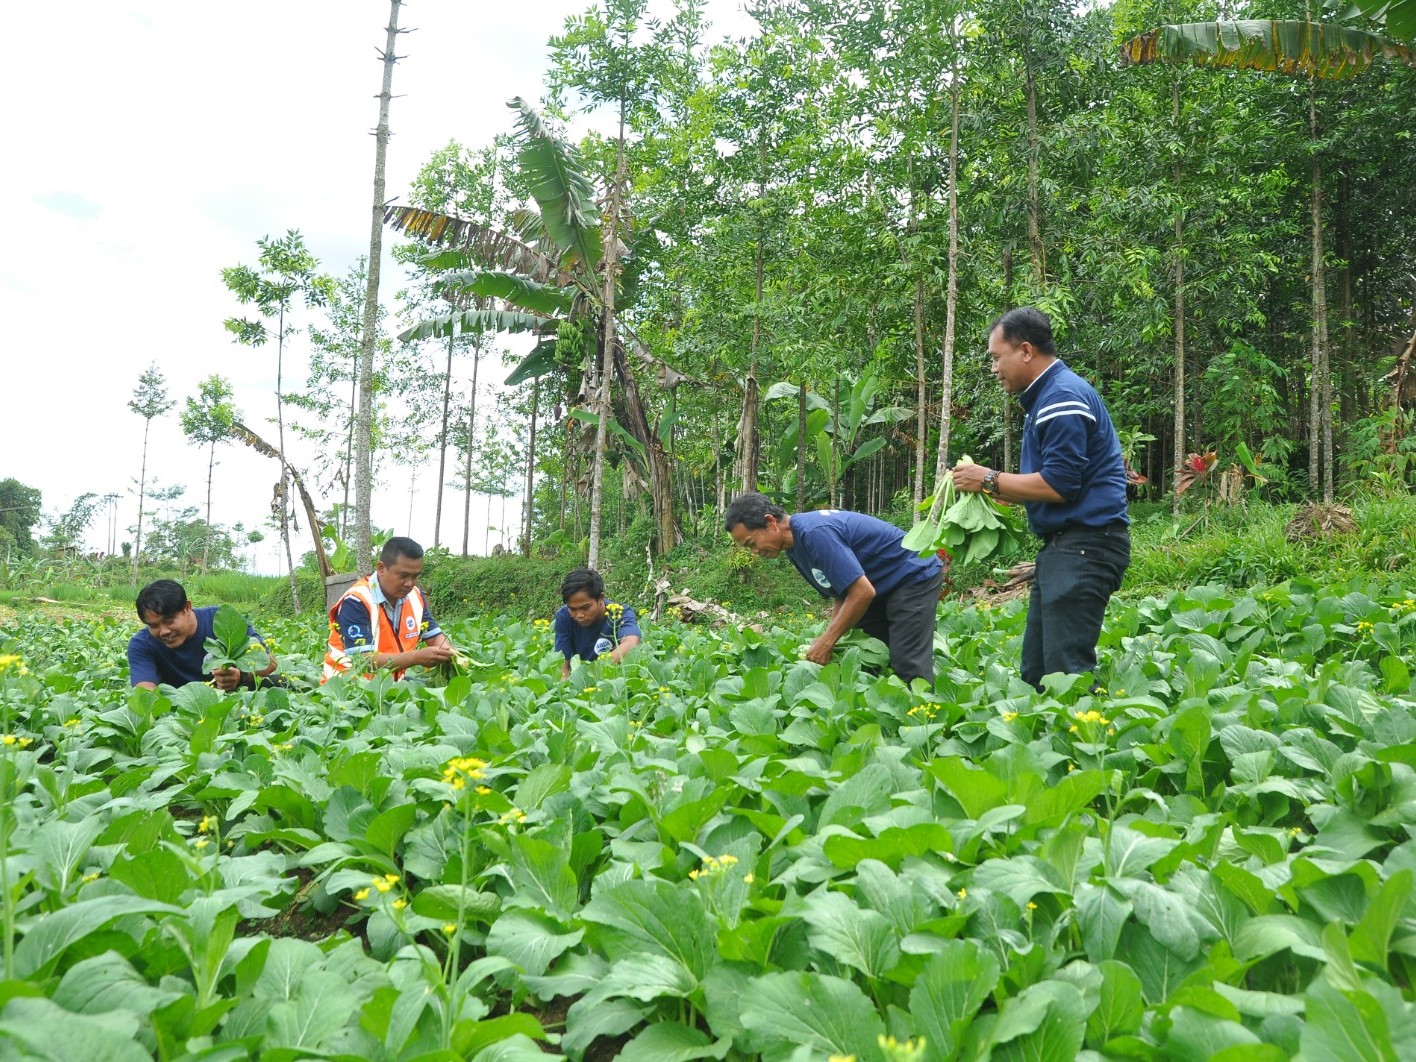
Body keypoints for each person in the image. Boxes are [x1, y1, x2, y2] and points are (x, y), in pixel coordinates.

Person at [952, 306, 1130, 690]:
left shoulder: (1062, 397)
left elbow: (1059, 485)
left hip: (1087, 545)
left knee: (1067, 673)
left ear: (1026, 351)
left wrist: (988, 479)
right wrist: (997, 488)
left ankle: (1090, 744)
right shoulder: (1048, 397)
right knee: (1037, 672)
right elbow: (1058, 485)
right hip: (1065, 548)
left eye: (997, 357)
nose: (994, 368)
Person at [724, 494, 943, 685]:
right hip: (879, 584)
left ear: (770, 522)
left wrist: (828, 641)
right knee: (871, 653)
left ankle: (923, 720)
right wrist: (826, 638)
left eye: (752, 543)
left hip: (911, 574)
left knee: (907, 661)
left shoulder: (814, 533)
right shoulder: (794, 548)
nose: (754, 552)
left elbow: (862, 592)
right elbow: (843, 592)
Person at [323, 536, 454, 681]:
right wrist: (415, 657)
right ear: (381, 569)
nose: (409, 583)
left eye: (415, 576)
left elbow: (434, 636)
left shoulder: (415, 596)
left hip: (389, 688)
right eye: (403, 576)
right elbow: (363, 661)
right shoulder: (356, 601)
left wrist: (447, 650)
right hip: (350, 690)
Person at [128, 579, 280, 691]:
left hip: (233, 696)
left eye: (169, 621)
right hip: (181, 706)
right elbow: (144, 690)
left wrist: (241, 675)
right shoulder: (142, 644)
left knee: (278, 683)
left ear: (187, 608)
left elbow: (270, 662)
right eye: (154, 626)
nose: (164, 631)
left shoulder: (222, 619)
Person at [554, 568, 642, 679]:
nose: (579, 615)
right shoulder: (564, 616)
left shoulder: (619, 612)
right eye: (573, 609)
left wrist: (596, 673)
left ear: (600, 598)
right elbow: (563, 665)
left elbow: (631, 643)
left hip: (614, 679)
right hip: (581, 683)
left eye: (585, 607)